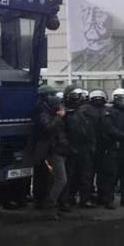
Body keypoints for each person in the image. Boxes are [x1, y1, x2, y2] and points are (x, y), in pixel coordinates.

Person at [31, 85, 69, 213]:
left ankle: (50, 203)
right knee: (60, 179)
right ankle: (50, 204)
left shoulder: (49, 112)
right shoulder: (42, 112)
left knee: (54, 179)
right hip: (51, 151)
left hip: (58, 149)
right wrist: (59, 117)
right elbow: (48, 128)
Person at [99, 88, 124, 208]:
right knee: (111, 175)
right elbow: (109, 128)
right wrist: (123, 137)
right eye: (121, 99)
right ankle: (108, 199)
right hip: (114, 147)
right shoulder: (109, 112)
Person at [63, 88, 97, 208]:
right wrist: (69, 147)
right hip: (72, 147)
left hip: (84, 148)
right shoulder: (65, 115)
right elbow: (63, 133)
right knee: (70, 176)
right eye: (75, 98)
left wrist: (92, 145)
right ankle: (67, 199)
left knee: (86, 175)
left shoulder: (83, 114)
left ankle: (85, 199)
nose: (78, 101)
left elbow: (90, 131)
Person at [81, 90, 109, 207]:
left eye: (100, 98)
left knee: (102, 173)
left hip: (102, 145)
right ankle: (86, 198)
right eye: (96, 98)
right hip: (89, 145)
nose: (98, 100)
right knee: (88, 174)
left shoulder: (106, 110)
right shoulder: (85, 110)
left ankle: (101, 197)